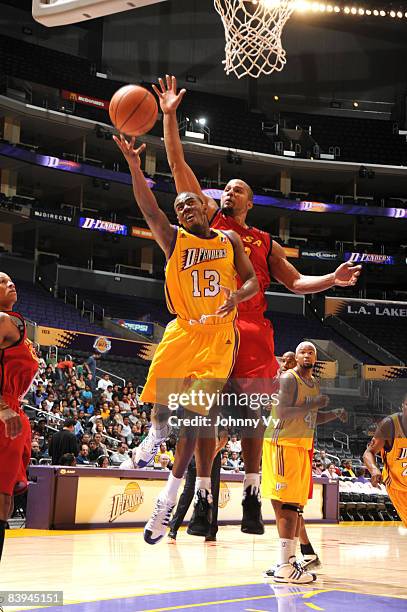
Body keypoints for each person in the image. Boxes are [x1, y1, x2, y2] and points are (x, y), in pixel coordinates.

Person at [152, 74, 362, 536]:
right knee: (202, 412)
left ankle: (249, 493)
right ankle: (204, 495)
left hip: (253, 329)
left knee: (247, 415)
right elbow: (177, 164)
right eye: (223, 189)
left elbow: (297, 281)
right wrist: (169, 116)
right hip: (213, 328)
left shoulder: (264, 241)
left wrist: (332, 278)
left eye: (237, 189)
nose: (228, 193)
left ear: (251, 199)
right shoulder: (210, 222)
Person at [114, 132, 258, 545]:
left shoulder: (229, 240)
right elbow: (147, 206)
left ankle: (167, 500)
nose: (183, 207)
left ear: (206, 208)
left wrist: (238, 296)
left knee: (195, 417)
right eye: (178, 206)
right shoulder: (173, 239)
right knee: (161, 415)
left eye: (189, 201)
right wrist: (135, 166)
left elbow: (251, 281)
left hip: (218, 337)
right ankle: (155, 436)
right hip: (181, 331)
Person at [262, 342, 329, 584]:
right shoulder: (289, 379)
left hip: (300, 447)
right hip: (283, 445)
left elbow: (310, 417)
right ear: (296, 357)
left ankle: (288, 560)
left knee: (293, 507)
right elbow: (282, 412)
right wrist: (315, 404)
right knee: (287, 506)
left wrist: (331, 412)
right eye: (302, 351)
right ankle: (284, 566)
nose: (307, 354)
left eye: (311, 351)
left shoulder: (314, 383)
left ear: (316, 357)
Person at [0, 273, 39, 564]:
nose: (10, 283)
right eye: (1, 282)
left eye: (11, 280)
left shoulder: (12, 321)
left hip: (14, 414)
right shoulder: (2, 319)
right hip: (5, 411)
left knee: (5, 501)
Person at [363, 395, 407, 527]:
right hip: (399, 488)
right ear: (403, 407)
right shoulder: (389, 425)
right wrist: (374, 470)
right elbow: (369, 452)